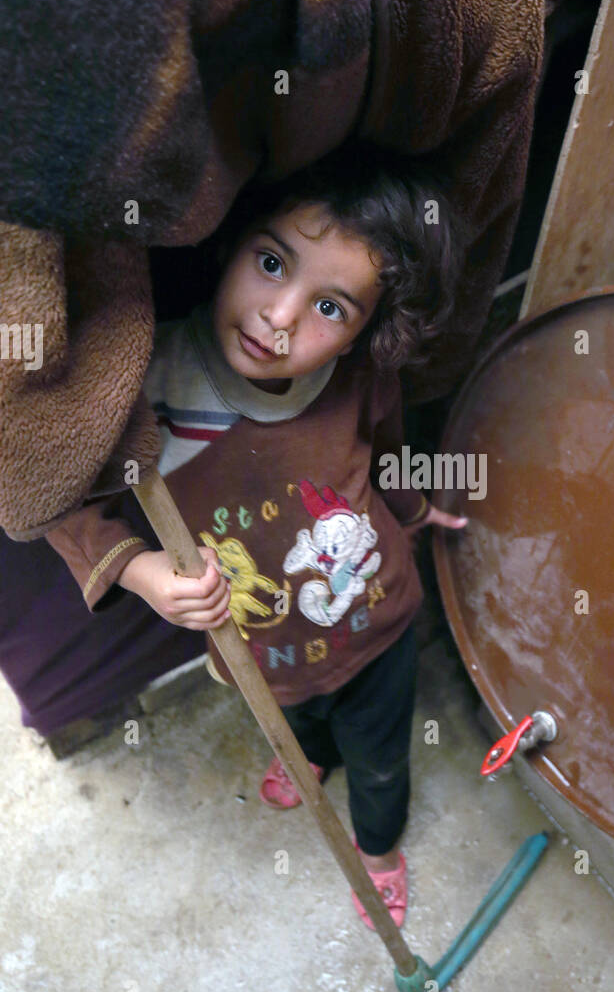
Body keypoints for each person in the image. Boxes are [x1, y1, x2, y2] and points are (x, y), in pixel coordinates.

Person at [46, 143, 469, 928]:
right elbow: (56, 502)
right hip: (258, 650)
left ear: (366, 335)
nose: (280, 317)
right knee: (298, 723)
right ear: (232, 242)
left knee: (380, 768)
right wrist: (140, 573)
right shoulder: (144, 387)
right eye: (273, 264)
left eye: (331, 307)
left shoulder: (358, 380)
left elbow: (382, 456)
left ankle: (378, 855)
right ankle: (310, 752)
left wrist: (415, 513)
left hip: (376, 632)